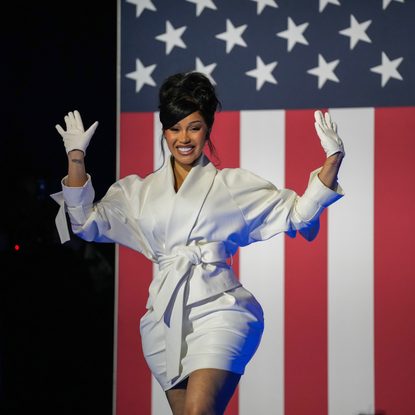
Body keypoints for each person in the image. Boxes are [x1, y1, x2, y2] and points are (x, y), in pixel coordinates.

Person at [52, 72, 344, 415]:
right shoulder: (137, 192)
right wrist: (76, 156)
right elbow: (84, 221)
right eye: (175, 128)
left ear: (207, 129)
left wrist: (333, 159)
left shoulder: (233, 185)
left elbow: (298, 214)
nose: (184, 137)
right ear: (164, 131)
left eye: (194, 126)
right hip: (165, 321)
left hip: (221, 311)